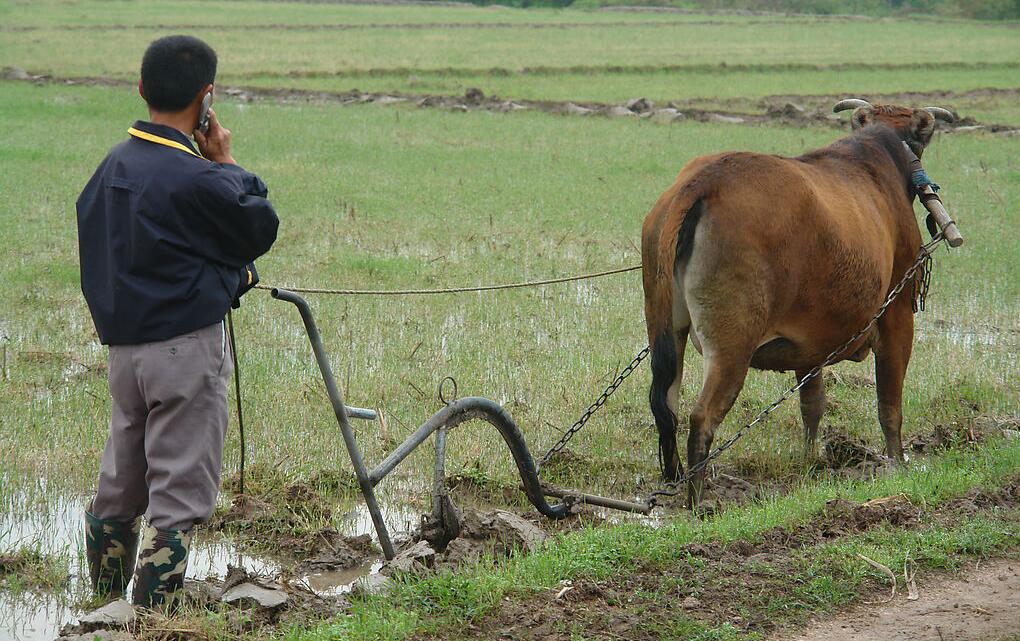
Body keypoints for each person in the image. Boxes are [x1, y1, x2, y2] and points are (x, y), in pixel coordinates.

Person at [75, 35, 279, 609]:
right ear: (207, 98)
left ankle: (106, 609)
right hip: (184, 353)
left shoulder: (110, 166)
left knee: (118, 484)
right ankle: (151, 619)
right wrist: (227, 161)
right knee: (177, 496)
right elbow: (257, 223)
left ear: (141, 90)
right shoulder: (198, 177)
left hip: (124, 354)